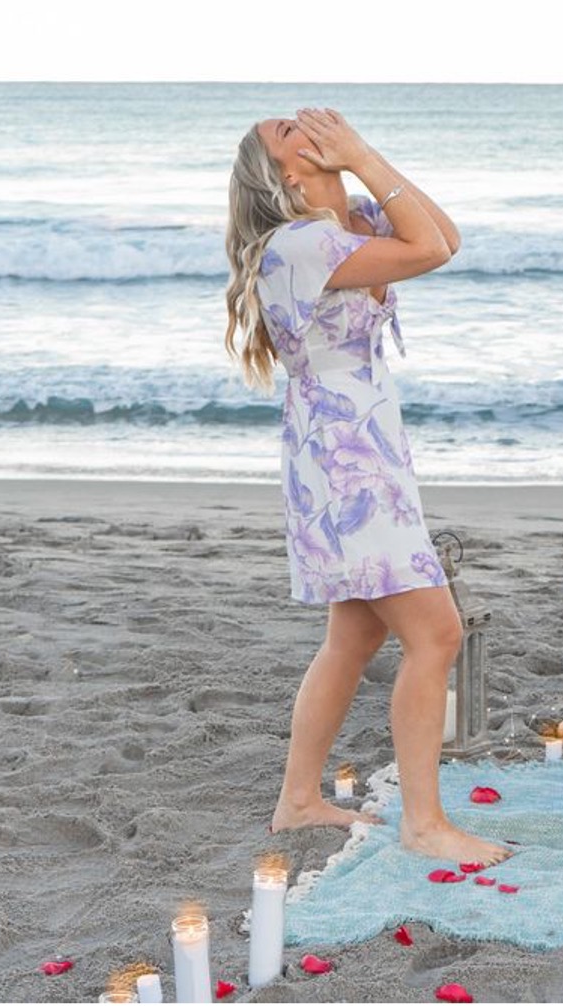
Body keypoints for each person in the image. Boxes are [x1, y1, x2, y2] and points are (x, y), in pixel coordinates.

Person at [224, 108, 508, 866]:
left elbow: (445, 237)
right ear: (286, 172)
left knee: (353, 635)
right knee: (436, 633)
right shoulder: (301, 244)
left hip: (362, 443)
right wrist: (363, 154)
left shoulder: (351, 222)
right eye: (283, 129)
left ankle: (298, 800)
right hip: (346, 459)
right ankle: (424, 824)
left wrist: (361, 167)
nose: (302, 119)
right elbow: (428, 252)